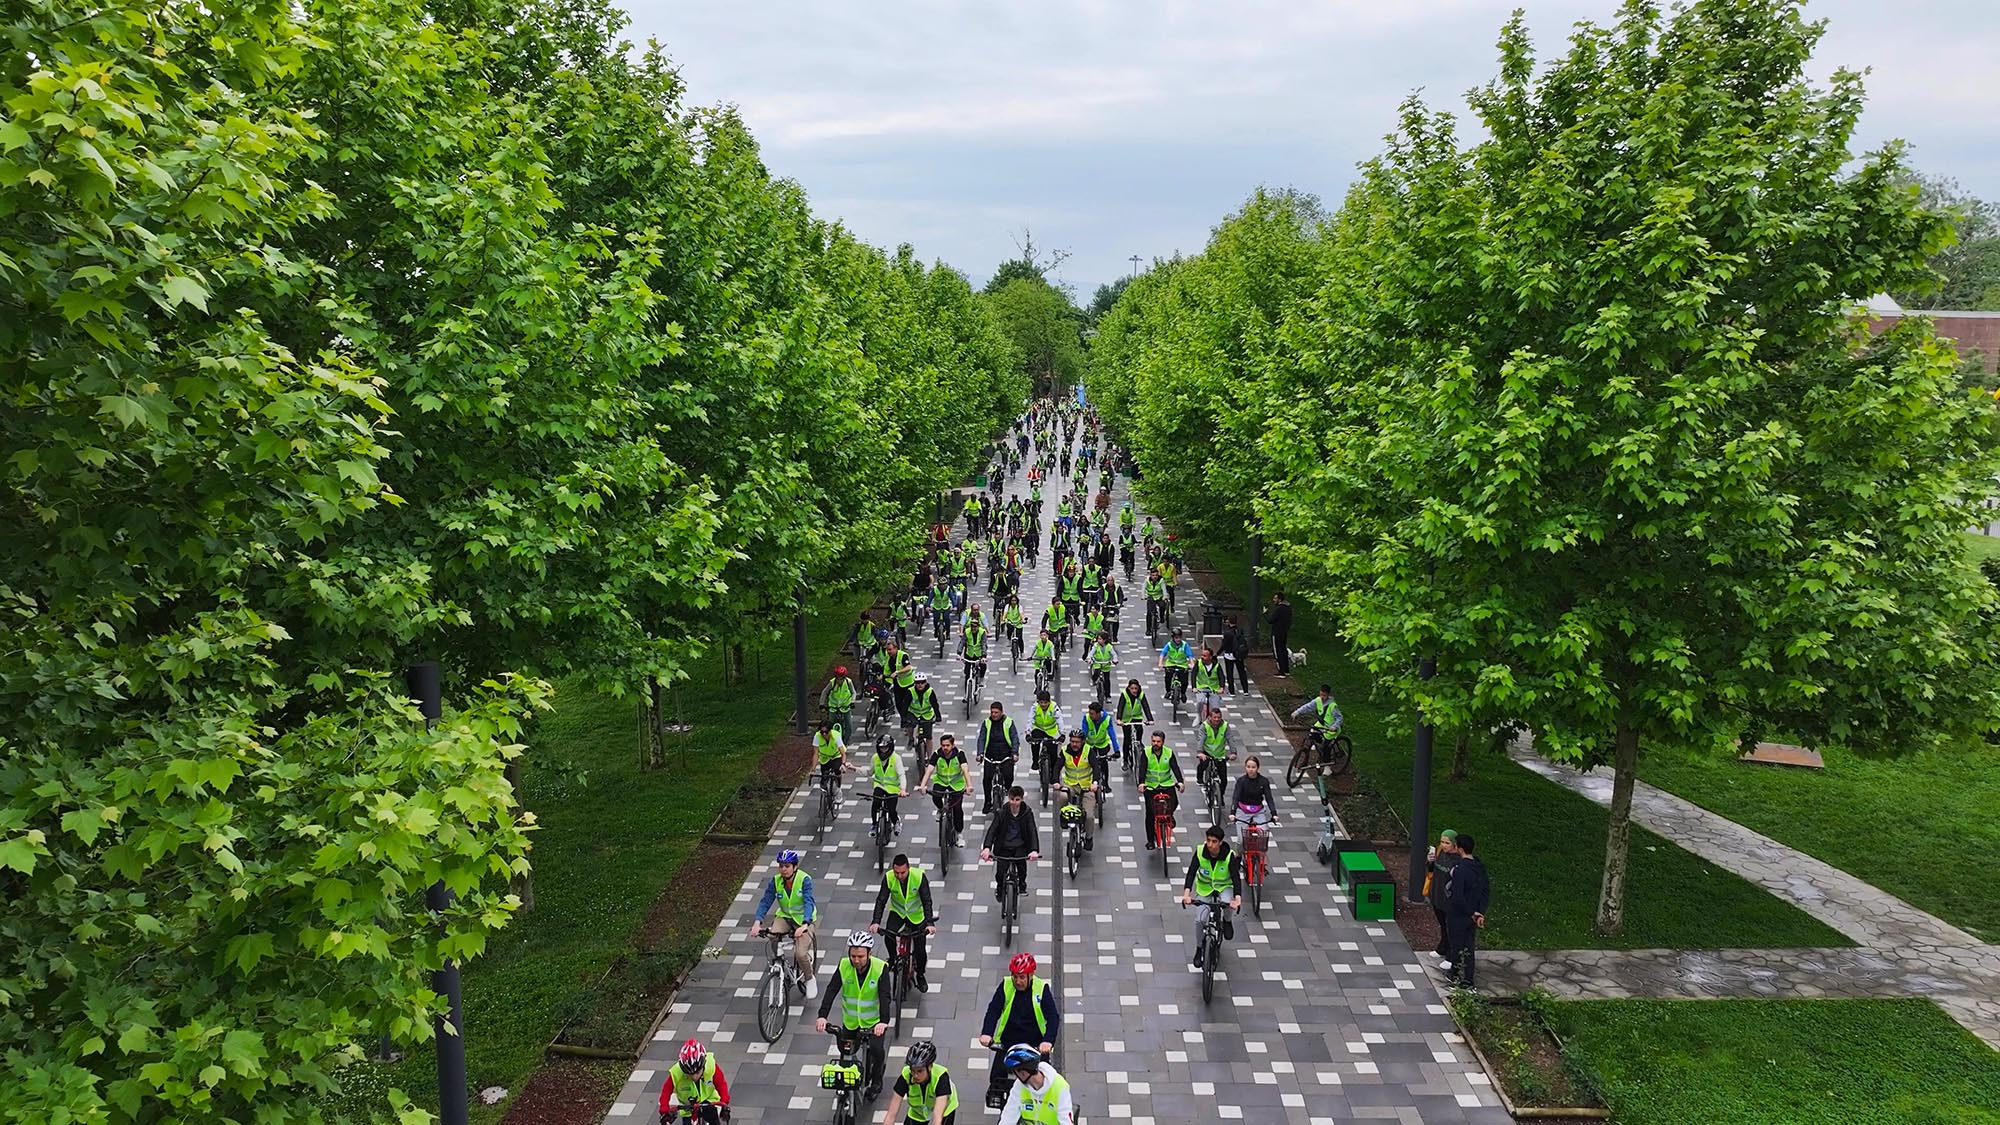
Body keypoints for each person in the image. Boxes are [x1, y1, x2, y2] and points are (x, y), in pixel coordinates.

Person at [816, 930, 891, 1101]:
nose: (856, 960)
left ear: (869, 954)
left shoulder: (880, 968)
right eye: (853, 956)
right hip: (850, 1023)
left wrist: (883, 1022)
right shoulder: (844, 966)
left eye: (860, 956)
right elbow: (831, 990)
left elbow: (885, 996)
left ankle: (876, 1080)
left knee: (877, 1051)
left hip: (873, 1024)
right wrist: (822, 1015)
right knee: (845, 1055)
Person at [979, 955, 1062, 1104]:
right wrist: (987, 1033)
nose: (1018, 981)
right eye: (1015, 977)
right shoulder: (1005, 985)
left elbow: (1053, 1017)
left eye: (1022, 977)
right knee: (997, 1081)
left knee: (1044, 1080)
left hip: (1035, 1045)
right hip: (1008, 1042)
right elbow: (993, 1010)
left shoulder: (1041, 989)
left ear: (1031, 975)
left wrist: (1048, 1041)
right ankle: (1004, 1109)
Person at [749, 849, 818, 1000]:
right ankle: (779, 964)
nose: (783, 869)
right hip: (785, 917)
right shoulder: (776, 881)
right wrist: (757, 922)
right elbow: (766, 901)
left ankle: (809, 977)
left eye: (787, 866)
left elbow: (808, 902)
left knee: (800, 953)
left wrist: (805, 924)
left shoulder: (804, 879)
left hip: (803, 920)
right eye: (781, 866)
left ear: (794, 866)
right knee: (773, 935)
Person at [871, 853, 938, 992]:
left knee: (920, 949)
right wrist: (876, 921)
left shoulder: (919, 877)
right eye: (896, 872)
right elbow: (881, 900)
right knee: (889, 936)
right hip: (898, 912)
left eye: (902, 872)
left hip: (916, 915)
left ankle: (920, 974)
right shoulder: (889, 877)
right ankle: (893, 959)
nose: (899, 876)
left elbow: (927, 901)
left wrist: (930, 923)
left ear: (908, 868)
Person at [1180, 825, 1243, 968]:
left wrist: (1237, 898)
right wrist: (1187, 894)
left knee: (1227, 902)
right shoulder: (1200, 851)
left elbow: (1235, 877)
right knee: (1200, 920)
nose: (1210, 844)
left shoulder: (1229, 856)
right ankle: (1199, 949)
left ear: (1220, 842)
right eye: (1208, 840)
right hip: (1204, 889)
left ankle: (1227, 921)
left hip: (1224, 886)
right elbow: (1191, 873)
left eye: (1214, 841)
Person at [1443, 833, 1490, 989]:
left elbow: (1457, 896)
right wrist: (1479, 912)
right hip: (1474, 915)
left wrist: (1469, 912)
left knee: (1457, 945)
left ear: (1460, 849)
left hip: (1459, 915)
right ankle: (1468, 978)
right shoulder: (1479, 866)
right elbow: (1485, 891)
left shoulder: (1460, 869)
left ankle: (1455, 974)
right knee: (1469, 945)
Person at [980, 786, 1040, 903]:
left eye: (1017, 800)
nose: (1014, 803)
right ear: (1008, 798)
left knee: (1022, 869)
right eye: (1012, 799)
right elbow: (992, 830)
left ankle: (1022, 884)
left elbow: (1032, 831)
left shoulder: (1027, 813)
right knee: (1000, 873)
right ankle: (1000, 888)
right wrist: (987, 848)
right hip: (1004, 847)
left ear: (1022, 799)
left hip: (1020, 846)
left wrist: (1034, 850)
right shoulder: (1001, 812)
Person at [882, 1040, 959, 1125]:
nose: (915, 1075)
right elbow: (891, 1114)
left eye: (920, 1071)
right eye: (912, 1070)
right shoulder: (906, 1076)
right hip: (919, 1110)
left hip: (944, 1109)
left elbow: (937, 1117)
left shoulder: (941, 1078)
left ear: (929, 1067)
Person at [995, 1044, 1075, 1125]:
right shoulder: (1019, 1085)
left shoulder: (1059, 1087)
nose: (1015, 1077)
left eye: (1015, 1072)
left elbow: (1066, 1121)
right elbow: (1009, 1115)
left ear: (1023, 1073)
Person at [657, 1038, 730, 1124]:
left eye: (697, 1072)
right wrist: (664, 1110)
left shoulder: (711, 1067)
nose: (694, 1077)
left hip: (709, 1101)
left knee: (712, 1118)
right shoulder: (676, 1072)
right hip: (688, 1107)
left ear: (703, 1065)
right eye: (689, 1074)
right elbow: (666, 1091)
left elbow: (721, 1084)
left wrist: (724, 1103)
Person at [919, 733, 970, 846]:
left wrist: (969, 785)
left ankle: (959, 834)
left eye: (947, 745)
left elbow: (965, 770)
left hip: (956, 784)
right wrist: (922, 785)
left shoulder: (960, 754)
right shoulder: (937, 754)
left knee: (957, 809)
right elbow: (929, 770)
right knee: (936, 796)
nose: (945, 748)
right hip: (941, 781)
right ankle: (941, 809)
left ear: (953, 745)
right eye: (943, 745)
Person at [1140, 730, 1186, 850]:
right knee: (1150, 813)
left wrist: (1180, 781)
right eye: (1153, 741)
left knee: (1174, 802)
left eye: (1158, 741)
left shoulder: (1169, 753)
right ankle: (1150, 840)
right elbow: (1142, 769)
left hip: (1166, 784)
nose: (1156, 743)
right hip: (1151, 786)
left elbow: (1175, 768)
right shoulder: (1146, 752)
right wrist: (1141, 783)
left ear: (1163, 742)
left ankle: (1169, 815)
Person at [1053, 730, 1098, 851]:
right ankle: (1063, 818)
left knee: (1089, 816)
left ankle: (1089, 838)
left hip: (1086, 786)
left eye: (1077, 742)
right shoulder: (1064, 751)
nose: (1074, 744)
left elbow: (1095, 767)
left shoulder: (1089, 750)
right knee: (1062, 796)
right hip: (1070, 785)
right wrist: (1056, 782)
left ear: (1082, 742)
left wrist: (1094, 783)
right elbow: (1057, 767)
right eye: (1072, 741)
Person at [1425, 829, 1462, 963]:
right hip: (1437, 895)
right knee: (1442, 924)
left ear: (1454, 844)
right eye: (1442, 842)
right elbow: (1431, 870)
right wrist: (1431, 861)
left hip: (1448, 900)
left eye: (1447, 842)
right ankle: (1442, 948)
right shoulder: (1439, 852)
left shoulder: (1458, 860)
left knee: (1450, 927)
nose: (1444, 845)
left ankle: (1451, 956)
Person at [976, 701, 1021, 812]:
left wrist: (1014, 753)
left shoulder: (1009, 722)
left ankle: (1007, 791)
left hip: (1006, 756)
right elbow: (981, 738)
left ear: (1001, 712)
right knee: (987, 779)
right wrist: (980, 753)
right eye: (992, 712)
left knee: (1008, 775)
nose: (994, 715)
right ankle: (987, 802)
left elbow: (1015, 738)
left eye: (996, 712)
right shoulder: (986, 723)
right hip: (990, 756)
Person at [1229, 755, 1277, 846]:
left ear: (1257, 768)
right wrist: (1232, 812)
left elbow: (1269, 798)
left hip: (1258, 811)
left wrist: (1274, 814)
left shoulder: (1264, 781)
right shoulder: (1241, 781)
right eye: (1248, 767)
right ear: (1245, 767)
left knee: (1263, 835)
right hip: (1242, 811)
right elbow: (1236, 797)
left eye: (1253, 767)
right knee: (1241, 840)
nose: (1251, 769)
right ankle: (1237, 856)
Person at [868, 734, 908, 841]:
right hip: (879, 786)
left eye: (885, 748)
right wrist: (854, 768)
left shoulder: (896, 758)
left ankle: (896, 822)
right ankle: (874, 824)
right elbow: (869, 772)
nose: (883, 750)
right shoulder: (875, 758)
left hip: (893, 788)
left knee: (891, 809)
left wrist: (903, 789)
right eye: (881, 748)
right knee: (875, 803)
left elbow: (901, 775)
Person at [1289, 684, 1343, 759]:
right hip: (1321, 724)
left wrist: (1334, 726)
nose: (1322, 697)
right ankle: (1319, 744)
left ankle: (1327, 766)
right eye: (1321, 695)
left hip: (1331, 728)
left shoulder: (1332, 706)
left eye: (1324, 695)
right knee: (1312, 733)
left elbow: (1339, 718)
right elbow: (1307, 707)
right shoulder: (1318, 700)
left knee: (1326, 748)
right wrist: (1297, 712)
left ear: (1328, 695)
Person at [1195, 706, 1236, 797]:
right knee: (1203, 764)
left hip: (1219, 754)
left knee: (1224, 780)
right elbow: (1201, 739)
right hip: (1207, 752)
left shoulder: (1225, 726)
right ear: (1209, 717)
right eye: (1214, 717)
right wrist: (1200, 752)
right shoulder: (1204, 726)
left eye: (1219, 717)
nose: (1217, 719)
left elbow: (1230, 738)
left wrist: (1233, 752)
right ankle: (1200, 778)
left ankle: (1220, 797)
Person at [1025, 690, 1064, 785]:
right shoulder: (1035, 707)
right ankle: (1035, 761)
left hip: (1051, 731)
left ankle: (1053, 776)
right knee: (1035, 743)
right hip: (1039, 729)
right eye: (1041, 702)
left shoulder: (1054, 707)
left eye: (1045, 702)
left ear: (1049, 701)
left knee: (1053, 753)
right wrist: (1028, 733)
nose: (1043, 705)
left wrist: (1062, 734)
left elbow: (1059, 720)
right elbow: (1030, 719)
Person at [1077, 699, 1119, 787]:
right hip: (1090, 745)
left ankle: (1106, 784)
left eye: (1092, 713)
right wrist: (1080, 746)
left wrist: (1117, 750)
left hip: (1102, 744)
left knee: (1104, 763)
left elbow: (1112, 735)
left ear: (1098, 713)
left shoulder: (1107, 719)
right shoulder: (1087, 718)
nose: (1090, 715)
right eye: (1089, 713)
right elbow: (1084, 733)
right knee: (1090, 763)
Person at [1114, 679, 1152, 759]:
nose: (1134, 690)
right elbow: (1120, 707)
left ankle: (1139, 742)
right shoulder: (1124, 695)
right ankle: (1125, 759)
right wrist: (1119, 719)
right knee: (1127, 739)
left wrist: (1150, 719)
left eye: (1136, 688)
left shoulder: (1141, 695)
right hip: (1126, 719)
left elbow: (1146, 707)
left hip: (1136, 717)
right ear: (1128, 688)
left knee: (1139, 729)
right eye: (1132, 688)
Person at [812, 718, 849, 797]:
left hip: (836, 756)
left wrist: (843, 764)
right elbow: (815, 754)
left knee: (837, 770)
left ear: (830, 730)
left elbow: (843, 753)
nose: (824, 734)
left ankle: (839, 789)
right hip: (824, 758)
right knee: (824, 777)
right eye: (822, 732)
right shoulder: (817, 736)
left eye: (826, 732)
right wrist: (813, 769)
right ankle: (825, 795)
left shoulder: (836, 736)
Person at [906, 673, 941, 756]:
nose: (920, 685)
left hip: (927, 714)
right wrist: (904, 718)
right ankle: (911, 739)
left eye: (922, 682)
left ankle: (929, 757)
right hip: (914, 713)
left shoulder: (930, 691)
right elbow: (905, 705)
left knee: (928, 737)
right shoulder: (910, 691)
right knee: (909, 725)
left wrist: (938, 716)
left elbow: (935, 705)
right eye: (917, 683)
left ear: (925, 683)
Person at [821, 667, 859, 742]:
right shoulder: (832, 682)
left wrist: (852, 702)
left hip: (845, 706)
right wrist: (822, 704)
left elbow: (853, 692)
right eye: (838, 679)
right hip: (833, 706)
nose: (839, 681)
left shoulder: (848, 682)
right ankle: (829, 739)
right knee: (830, 723)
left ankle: (846, 741)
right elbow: (824, 692)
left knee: (848, 725)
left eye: (841, 679)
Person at [1158, 627, 1194, 704]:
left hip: (1182, 665)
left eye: (1180, 637)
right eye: (1176, 638)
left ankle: (1183, 693)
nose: (1178, 639)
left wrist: (1192, 664)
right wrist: (1160, 664)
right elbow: (1162, 654)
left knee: (1184, 680)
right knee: (1168, 677)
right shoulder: (1169, 645)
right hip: (1171, 664)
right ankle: (1168, 691)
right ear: (1173, 638)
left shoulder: (1185, 645)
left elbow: (1189, 655)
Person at [882, 639, 915, 721]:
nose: (888, 652)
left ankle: (909, 720)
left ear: (896, 648)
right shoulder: (889, 658)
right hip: (897, 684)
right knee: (898, 703)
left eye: (890, 649)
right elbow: (887, 669)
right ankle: (904, 719)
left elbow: (908, 667)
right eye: (887, 650)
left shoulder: (903, 655)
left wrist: (897, 672)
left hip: (908, 683)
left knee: (908, 703)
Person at [1191, 647, 1225, 718]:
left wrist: (1221, 688)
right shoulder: (1198, 663)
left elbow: (1221, 677)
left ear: (1210, 657)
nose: (1202, 657)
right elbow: (1193, 674)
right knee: (1200, 702)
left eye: (1204, 656)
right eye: (1202, 655)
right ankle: (1199, 717)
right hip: (1201, 687)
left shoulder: (1217, 665)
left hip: (1214, 688)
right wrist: (1194, 687)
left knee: (1215, 709)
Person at [1220, 617, 1249, 693]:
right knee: (1242, 672)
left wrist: (1217, 653)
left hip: (1229, 654)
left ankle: (1231, 691)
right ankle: (1245, 690)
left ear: (1229, 622)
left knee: (1230, 673)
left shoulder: (1227, 632)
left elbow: (1224, 645)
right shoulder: (1240, 630)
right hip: (1239, 654)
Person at [1267, 592, 1293, 675]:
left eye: (1275, 598)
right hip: (1284, 632)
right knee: (1283, 650)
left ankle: (1281, 671)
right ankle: (1286, 669)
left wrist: (1265, 613)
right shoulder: (1288, 608)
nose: (1273, 600)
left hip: (1277, 632)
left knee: (1277, 651)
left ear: (1279, 599)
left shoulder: (1279, 609)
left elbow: (1270, 620)